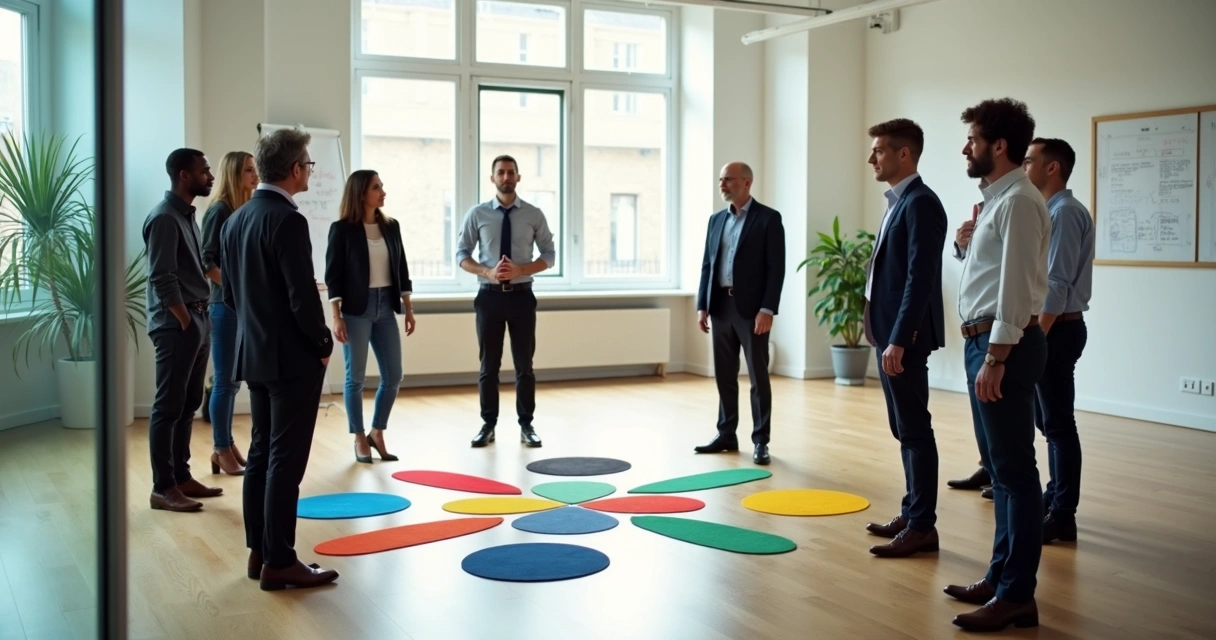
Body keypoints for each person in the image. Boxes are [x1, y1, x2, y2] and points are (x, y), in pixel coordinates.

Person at [945, 98, 1049, 632]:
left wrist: (996, 357)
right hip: (985, 344)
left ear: (998, 145)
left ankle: (1017, 596)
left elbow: (1014, 292)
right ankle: (1000, 576)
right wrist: (965, 247)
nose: (966, 148)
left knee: (1015, 473)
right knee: (1002, 473)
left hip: (1001, 347)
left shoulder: (1020, 203)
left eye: (973, 139)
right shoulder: (997, 201)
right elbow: (993, 274)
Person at [220, 127, 339, 590]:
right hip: (292, 360)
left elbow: (230, 296)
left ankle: (260, 552)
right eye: (308, 165)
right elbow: (301, 299)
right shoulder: (288, 221)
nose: (309, 171)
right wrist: (324, 343)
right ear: (294, 170)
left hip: (255, 354)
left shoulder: (236, 219)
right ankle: (281, 560)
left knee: (262, 452)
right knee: (285, 460)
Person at [858, 119, 948, 558]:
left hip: (902, 338)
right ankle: (912, 513)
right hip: (888, 334)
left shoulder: (921, 203)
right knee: (903, 428)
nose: (871, 158)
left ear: (903, 155)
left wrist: (900, 338)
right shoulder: (899, 201)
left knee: (914, 429)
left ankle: (922, 527)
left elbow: (920, 278)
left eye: (878, 150)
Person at [456, 155, 555, 448]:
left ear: (518, 177)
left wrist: (521, 270)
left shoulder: (534, 214)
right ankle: (488, 424)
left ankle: (527, 425)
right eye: (501, 172)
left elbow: (549, 255)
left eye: (511, 172)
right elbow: (462, 254)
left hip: (523, 297)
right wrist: (486, 271)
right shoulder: (477, 214)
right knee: (489, 366)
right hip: (489, 298)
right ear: (493, 179)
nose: (506, 177)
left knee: (525, 365)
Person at [1022, 137, 1093, 544]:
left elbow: (1057, 284)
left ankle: (1063, 513)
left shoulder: (1064, 213)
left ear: (1052, 168)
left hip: (1057, 328)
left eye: (1029, 160)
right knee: (1048, 421)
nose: (1023, 165)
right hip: (1054, 326)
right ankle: (1055, 498)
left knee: (1058, 424)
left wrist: (1035, 336)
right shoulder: (1049, 211)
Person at [143, 148, 222, 513]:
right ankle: (163, 488)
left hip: (197, 319)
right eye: (204, 170)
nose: (211, 176)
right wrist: (185, 320)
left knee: (189, 403)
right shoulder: (164, 218)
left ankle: (181, 476)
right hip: (178, 323)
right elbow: (162, 276)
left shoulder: (188, 215)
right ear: (183, 174)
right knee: (168, 406)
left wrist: (197, 320)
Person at [693, 162, 785, 466]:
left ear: (747, 182)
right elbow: (708, 264)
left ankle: (761, 441)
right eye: (721, 179)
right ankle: (726, 434)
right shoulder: (715, 220)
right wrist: (702, 305)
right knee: (724, 375)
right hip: (720, 306)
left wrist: (767, 309)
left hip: (752, 311)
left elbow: (776, 269)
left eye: (728, 180)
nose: (722, 184)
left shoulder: (769, 219)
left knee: (758, 376)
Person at [325, 170, 415, 463]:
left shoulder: (392, 226)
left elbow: (401, 268)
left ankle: (378, 430)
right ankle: (359, 436)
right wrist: (336, 316)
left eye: (382, 186)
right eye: (377, 187)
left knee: (394, 375)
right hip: (355, 310)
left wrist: (408, 308)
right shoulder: (342, 229)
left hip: (386, 306)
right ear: (361, 193)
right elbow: (334, 275)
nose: (383, 191)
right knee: (356, 378)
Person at [200, 150, 258, 476]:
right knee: (224, 381)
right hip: (224, 306)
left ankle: (226, 443)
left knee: (233, 381)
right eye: (249, 170)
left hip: (237, 305)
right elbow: (207, 261)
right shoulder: (220, 210)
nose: (256, 174)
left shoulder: (240, 209)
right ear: (235, 174)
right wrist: (236, 291)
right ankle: (221, 448)